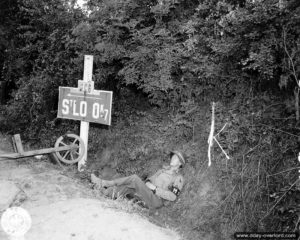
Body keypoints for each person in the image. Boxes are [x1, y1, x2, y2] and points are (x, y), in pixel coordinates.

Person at [90, 150, 185, 209]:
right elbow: (149, 179)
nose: (172, 159)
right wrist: (148, 183)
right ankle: (104, 191)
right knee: (130, 186)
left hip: (156, 200)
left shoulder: (178, 178)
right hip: (148, 194)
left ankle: (104, 183)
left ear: (180, 163)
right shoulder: (163, 170)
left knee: (134, 178)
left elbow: (173, 196)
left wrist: (155, 189)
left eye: (176, 158)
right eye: (173, 156)